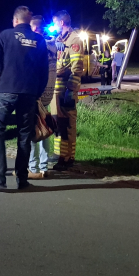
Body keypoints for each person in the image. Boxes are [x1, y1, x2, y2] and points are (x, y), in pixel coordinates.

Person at [0, 7, 48, 191]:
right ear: (29, 21)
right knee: (24, 135)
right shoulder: (39, 40)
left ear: (15, 20)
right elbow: (44, 71)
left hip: (5, 91)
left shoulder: (5, 35)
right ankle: (22, 179)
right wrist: (36, 92)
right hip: (29, 93)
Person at [50, 10, 84, 170]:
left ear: (61, 23)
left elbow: (77, 68)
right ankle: (60, 154)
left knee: (68, 124)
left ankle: (68, 158)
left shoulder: (74, 39)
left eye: (54, 23)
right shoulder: (59, 39)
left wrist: (71, 90)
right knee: (58, 122)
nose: (53, 26)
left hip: (66, 90)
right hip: (57, 90)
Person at [27, 15, 57, 178]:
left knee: (35, 129)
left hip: (36, 92)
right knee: (45, 128)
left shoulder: (38, 45)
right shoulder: (52, 45)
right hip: (49, 92)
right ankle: (44, 166)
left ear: (35, 29)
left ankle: (33, 167)